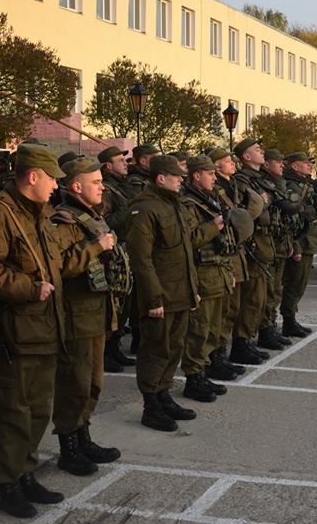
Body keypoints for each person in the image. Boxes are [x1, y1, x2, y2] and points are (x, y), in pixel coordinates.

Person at [0, 144, 105, 518]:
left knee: (36, 411)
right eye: (52, 179)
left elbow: (56, 265)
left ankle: (26, 474)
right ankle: (8, 484)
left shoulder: (40, 214)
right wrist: (29, 288)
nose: (55, 186)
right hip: (15, 334)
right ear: (33, 176)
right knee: (12, 413)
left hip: (46, 329)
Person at [50, 157, 123, 476]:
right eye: (96, 182)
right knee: (74, 384)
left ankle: (83, 437)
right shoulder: (63, 220)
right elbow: (61, 267)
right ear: (77, 186)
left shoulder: (92, 216)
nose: (102, 187)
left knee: (93, 382)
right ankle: (69, 447)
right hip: (76, 316)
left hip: (97, 312)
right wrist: (96, 247)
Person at [125, 155, 200, 432]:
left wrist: (193, 290)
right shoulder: (144, 209)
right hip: (160, 296)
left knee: (174, 347)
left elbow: (186, 252)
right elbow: (141, 259)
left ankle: (163, 395)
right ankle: (151, 406)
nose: (181, 180)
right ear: (160, 178)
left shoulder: (174, 204)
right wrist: (153, 298)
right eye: (176, 176)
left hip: (180, 292)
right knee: (155, 350)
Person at [179, 155, 236, 402]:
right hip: (202, 275)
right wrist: (214, 226)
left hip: (218, 271)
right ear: (196, 175)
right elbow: (189, 240)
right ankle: (193, 378)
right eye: (210, 174)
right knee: (198, 330)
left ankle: (205, 371)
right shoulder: (188, 204)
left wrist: (229, 272)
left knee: (213, 328)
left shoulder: (210, 200)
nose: (214, 178)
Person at [209, 146, 262, 376]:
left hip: (237, 250)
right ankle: (215, 356)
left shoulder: (233, 186)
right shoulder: (216, 189)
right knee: (223, 310)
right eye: (227, 160)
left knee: (233, 307)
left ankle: (226, 352)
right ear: (216, 165)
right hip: (225, 253)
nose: (232, 163)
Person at [232, 139, 277, 363]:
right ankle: (241, 344)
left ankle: (248, 340)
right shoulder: (242, 181)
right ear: (246, 157)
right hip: (254, 243)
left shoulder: (260, 179)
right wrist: (261, 203)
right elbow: (241, 214)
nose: (262, 152)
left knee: (261, 297)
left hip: (265, 241)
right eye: (257, 150)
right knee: (252, 298)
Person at [256, 149, 301, 351]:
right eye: (278, 161)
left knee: (275, 291)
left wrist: (291, 244)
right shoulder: (264, 184)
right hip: (269, 244)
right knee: (268, 292)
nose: (282, 165)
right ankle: (265, 331)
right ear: (267, 164)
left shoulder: (278, 184)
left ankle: (271, 327)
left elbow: (286, 219)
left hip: (281, 243)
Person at [97, 145, 136, 372]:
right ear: (108, 166)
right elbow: (105, 222)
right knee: (114, 303)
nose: (125, 163)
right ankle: (106, 351)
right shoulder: (107, 190)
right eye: (119, 160)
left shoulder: (123, 186)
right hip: (114, 251)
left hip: (126, 250)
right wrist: (129, 211)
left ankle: (115, 347)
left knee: (125, 304)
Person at [280, 152, 317, 337]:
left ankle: (291, 318)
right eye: (305, 163)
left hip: (308, 239)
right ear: (295, 166)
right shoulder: (291, 186)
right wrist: (295, 246)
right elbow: (289, 220)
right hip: (300, 241)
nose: (309, 165)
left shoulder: (305, 184)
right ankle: (288, 321)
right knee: (294, 283)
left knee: (300, 283)